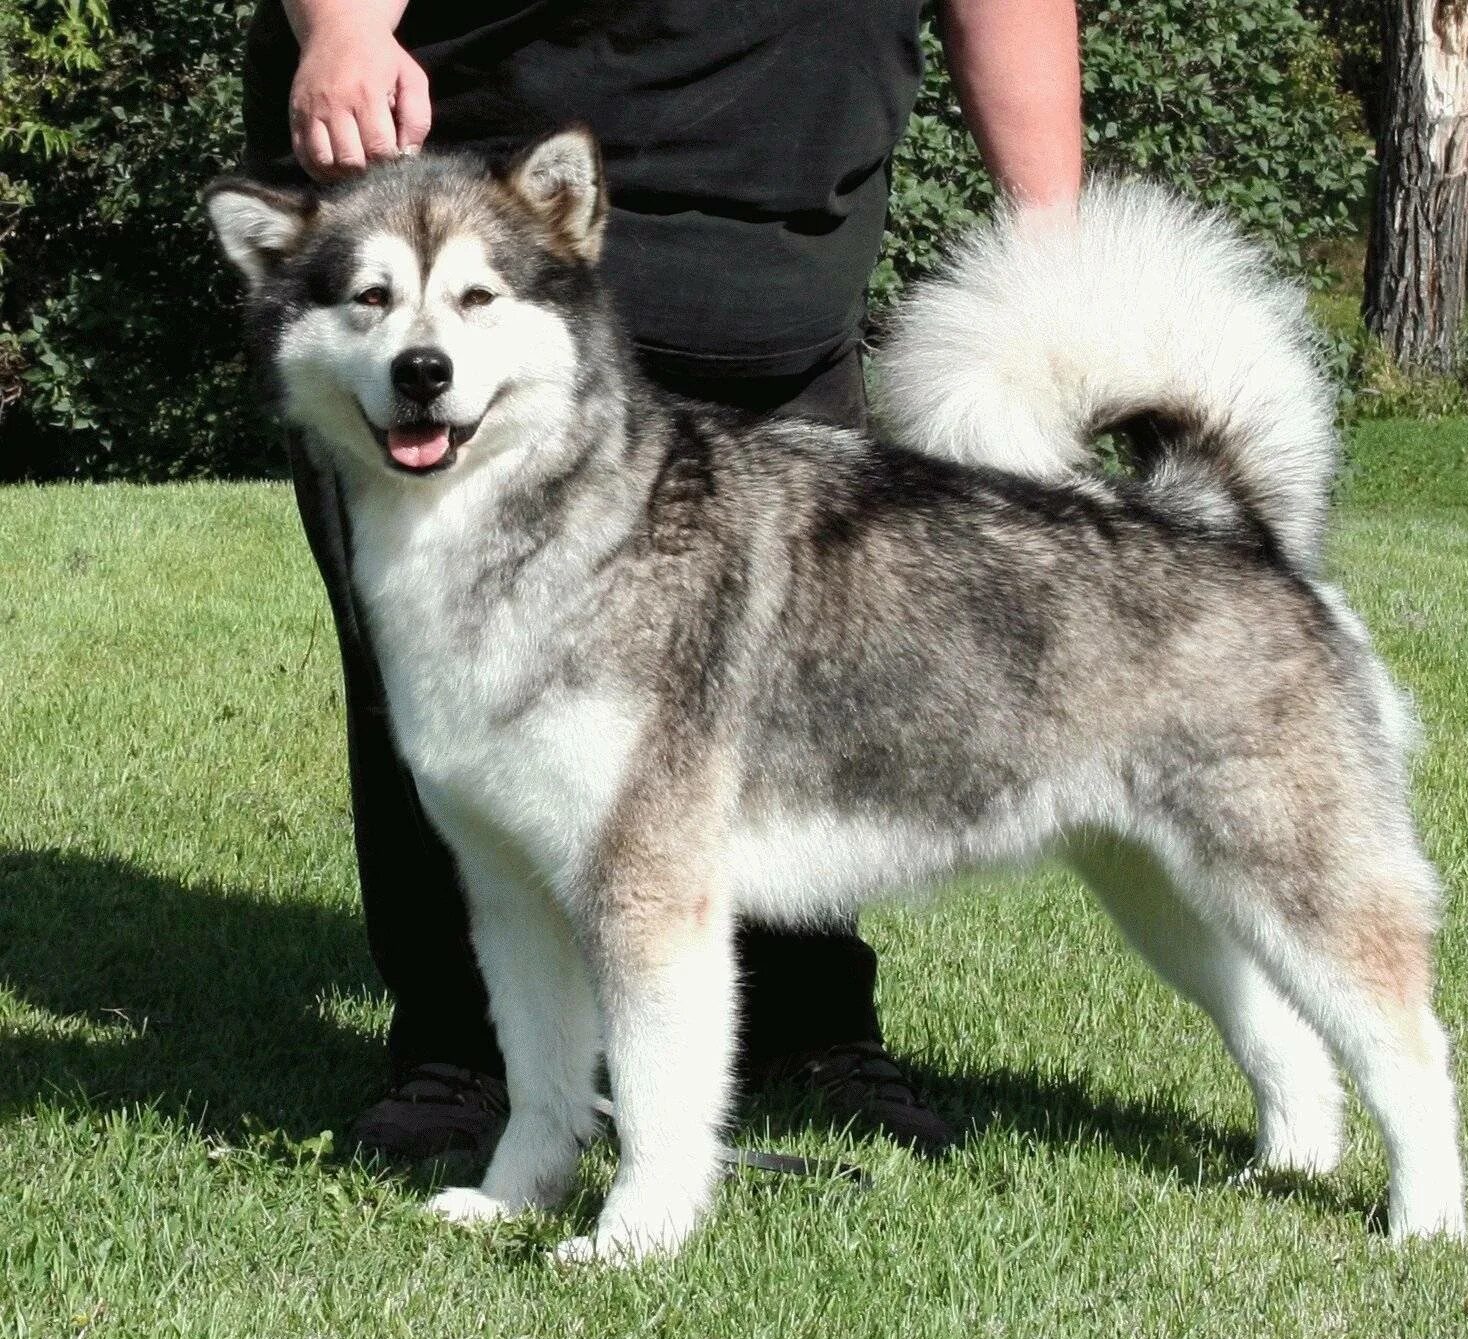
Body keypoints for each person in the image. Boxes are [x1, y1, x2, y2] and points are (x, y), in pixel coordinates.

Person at [239, 0, 1082, 1161]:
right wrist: (338, 26)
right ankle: (467, 1055)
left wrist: (1053, 240)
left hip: (778, 244)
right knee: (453, 700)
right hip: (466, 168)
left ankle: (806, 1025)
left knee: (789, 682)